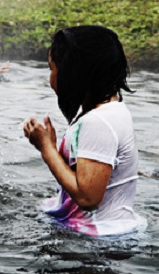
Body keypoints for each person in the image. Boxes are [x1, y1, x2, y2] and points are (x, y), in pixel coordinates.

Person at [22, 25, 145, 237]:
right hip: (104, 230)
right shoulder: (109, 111)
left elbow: (88, 198)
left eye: (52, 69)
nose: (51, 77)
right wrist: (52, 147)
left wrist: (47, 149)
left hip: (99, 239)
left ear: (74, 74)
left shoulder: (99, 122)